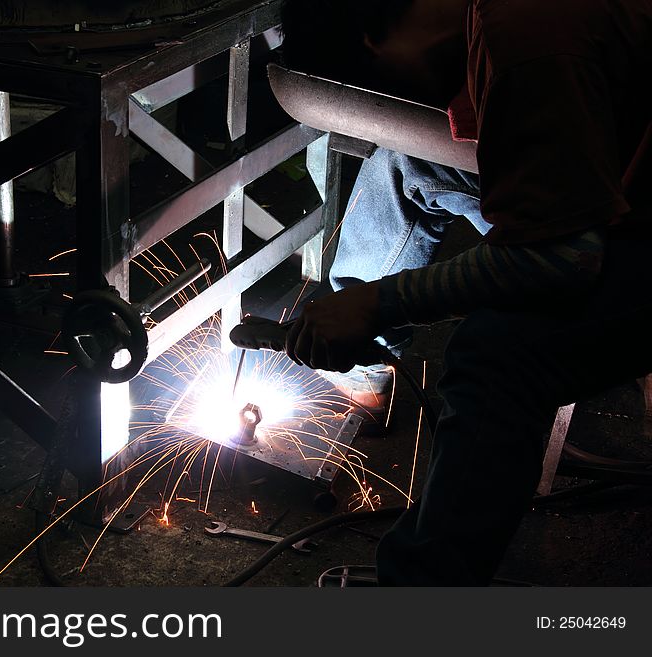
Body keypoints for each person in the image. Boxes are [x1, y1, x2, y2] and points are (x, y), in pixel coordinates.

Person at [279, 0, 652, 585]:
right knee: (408, 161)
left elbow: (561, 260)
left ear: (372, 42)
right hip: (615, 169)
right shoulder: (491, 22)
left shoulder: (527, 36)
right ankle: (355, 372)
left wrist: (384, 300)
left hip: (637, 234)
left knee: (495, 356)